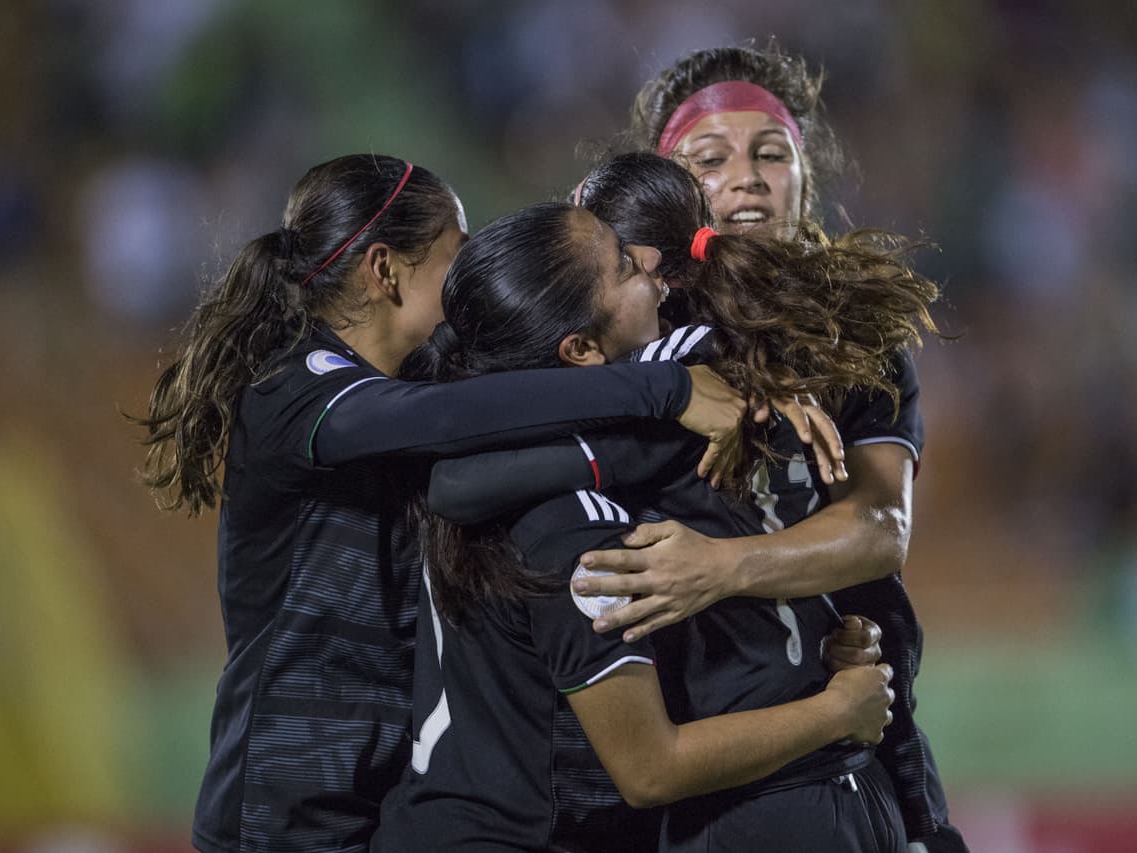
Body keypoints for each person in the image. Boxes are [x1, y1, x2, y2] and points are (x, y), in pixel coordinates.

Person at [131, 153, 753, 853]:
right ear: (384, 270)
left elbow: (481, 444)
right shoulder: (295, 390)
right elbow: (449, 417)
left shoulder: (414, 380)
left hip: (380, 793)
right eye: (453, 257)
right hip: (281, 805)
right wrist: (664, 391)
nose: (467, 282)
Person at [423, 152, 939, 851]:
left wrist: (832, 683)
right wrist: (838, 697)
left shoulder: (634, 406)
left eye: (634, 261)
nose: (649, 285)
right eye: (622, 269)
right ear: (575, 349)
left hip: (755, 803)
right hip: (814, 786)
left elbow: (455, 478)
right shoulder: (724, 371)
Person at [612, 45, 971, 853]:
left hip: (833, 761)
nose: (746, 176)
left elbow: (880, 527)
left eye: (771, 154)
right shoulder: (617, 328)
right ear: (662, 190)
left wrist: (721, 568)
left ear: (806, 178)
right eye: (711, 158)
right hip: (652, 763)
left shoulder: (856, 339)